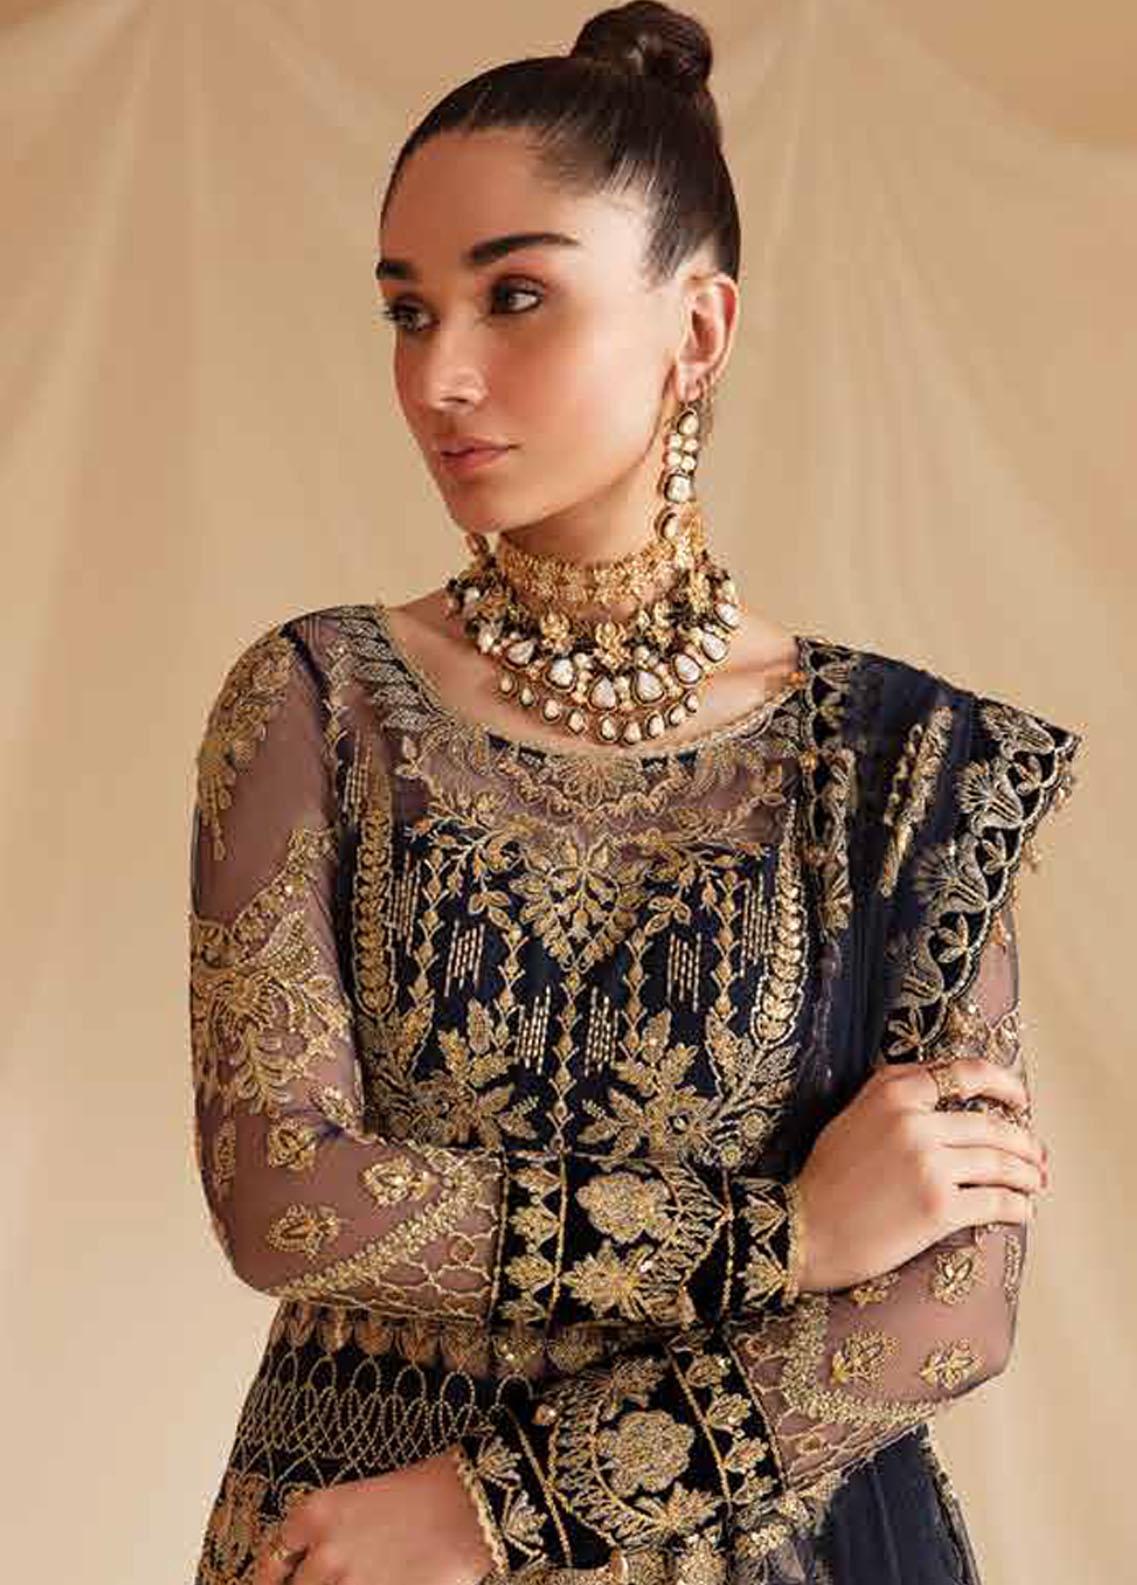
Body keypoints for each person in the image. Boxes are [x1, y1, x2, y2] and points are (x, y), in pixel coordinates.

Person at [187, 5, 1084, 1582]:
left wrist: (491, 1508)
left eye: (514, 295)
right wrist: (786, 1236)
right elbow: (287, 1196)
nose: (439, 374)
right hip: (349, 1534)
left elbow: (946, 1308)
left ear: (697, 330)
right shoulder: (319, 701)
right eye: (407, 310)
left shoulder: (905, 768)